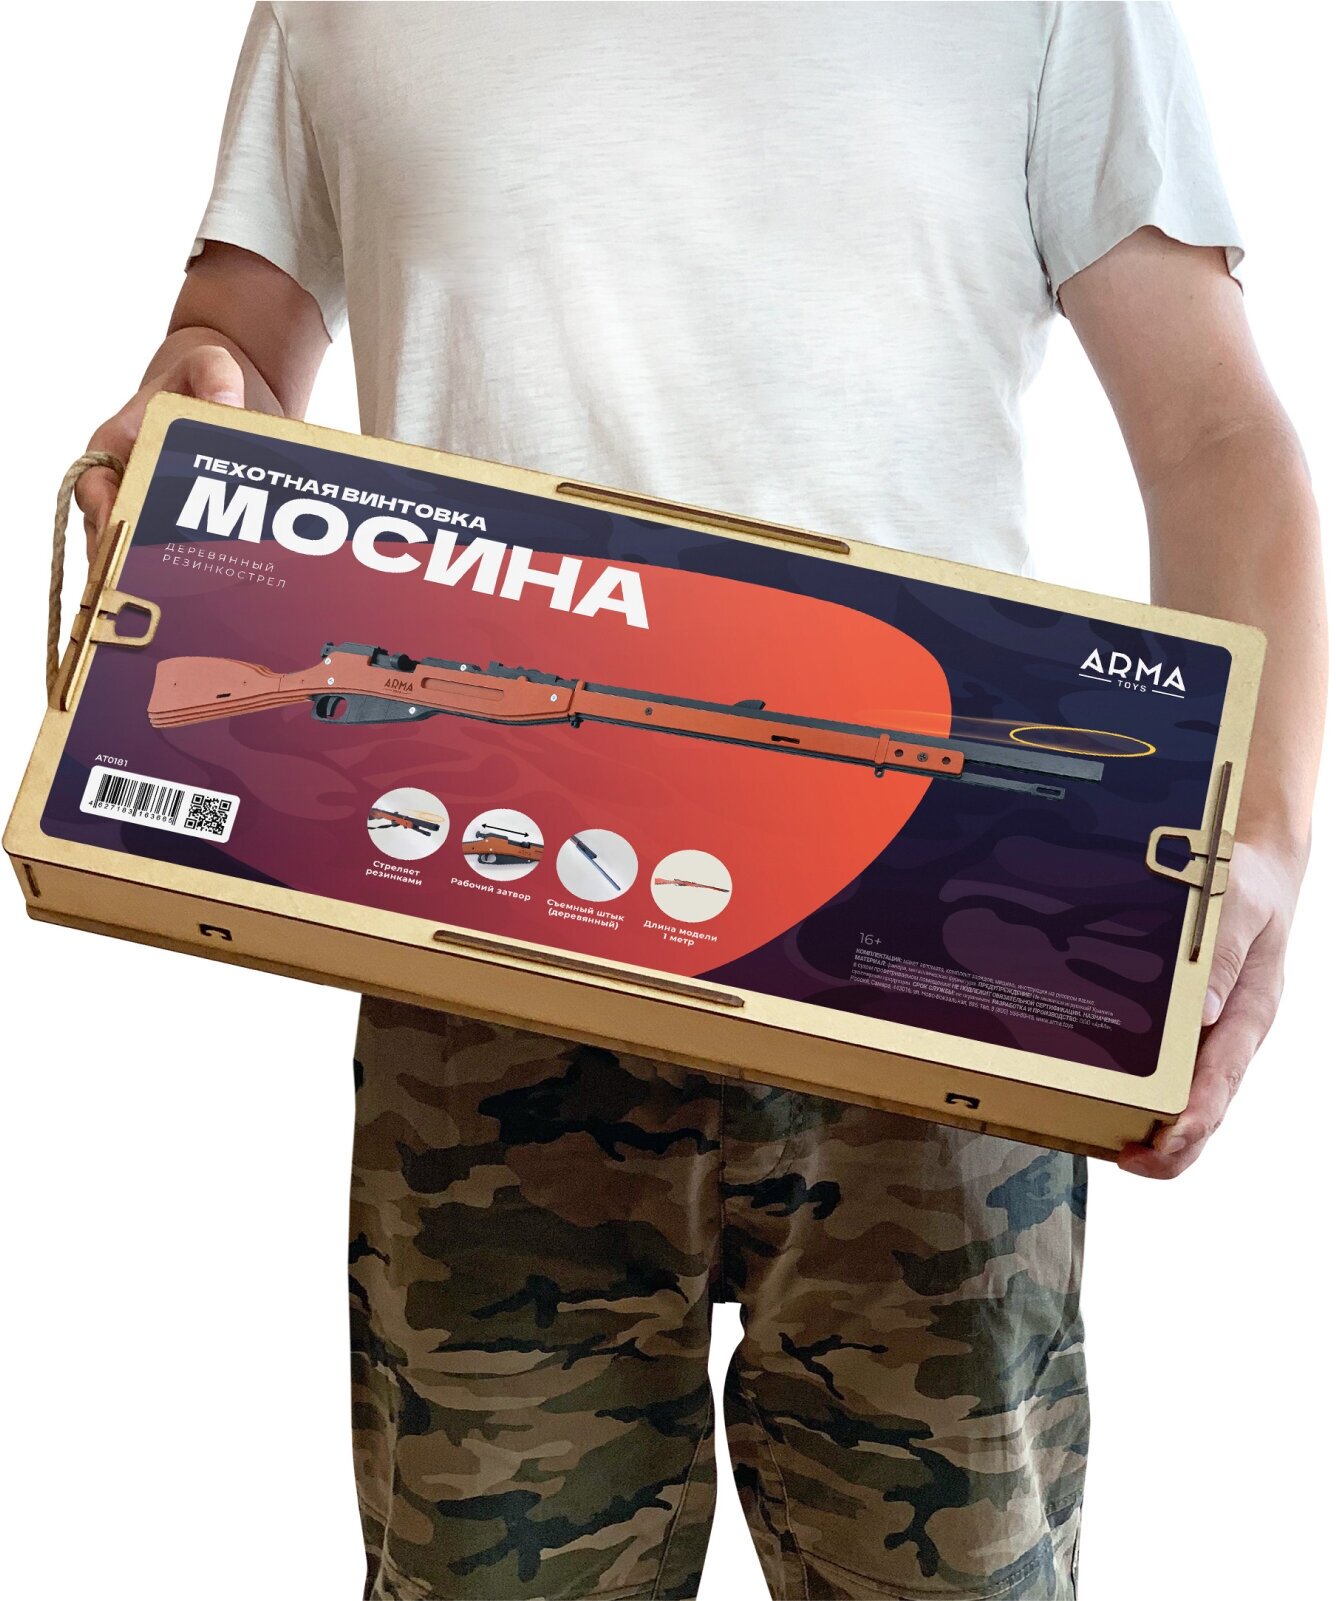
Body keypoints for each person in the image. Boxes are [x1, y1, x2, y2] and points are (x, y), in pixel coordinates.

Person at [75, 5, 1324, 1598]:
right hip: (482, 928)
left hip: (930, 963)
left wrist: (1265, 833)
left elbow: (1214, 430)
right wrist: (190, 405)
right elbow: (232, 352)